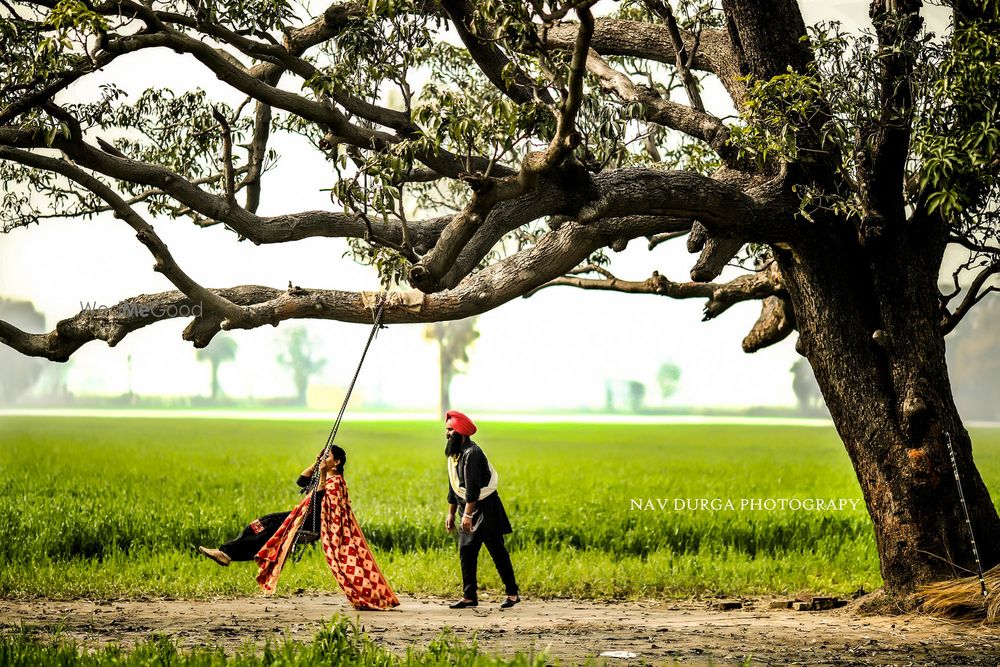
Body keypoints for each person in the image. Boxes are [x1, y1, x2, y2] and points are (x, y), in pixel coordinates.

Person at [197, 447, 342, 566]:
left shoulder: (335, 482)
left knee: (266, 534)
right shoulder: (324, 477)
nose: (324, 459)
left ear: (337, 462)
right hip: (299, 517)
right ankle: (226, 553)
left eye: (327, 457)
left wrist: (322, 473)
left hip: (309, 524)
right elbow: (302, 481)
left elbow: (318, 501)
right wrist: (316, 464)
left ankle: (225, 553)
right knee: (258, 525)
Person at [443, 410, 520, 609]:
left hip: (486, 510)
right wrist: (451, 514)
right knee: (466, 551)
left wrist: (467, 514)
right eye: (447, 430)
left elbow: (473, 489)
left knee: (497, 551)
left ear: (460, 432)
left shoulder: (473, 454)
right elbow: (453, 488)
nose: (447, 434)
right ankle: (469, 597)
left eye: (450, 430)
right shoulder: (456, 455)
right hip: (466, 509)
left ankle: (512, 594)